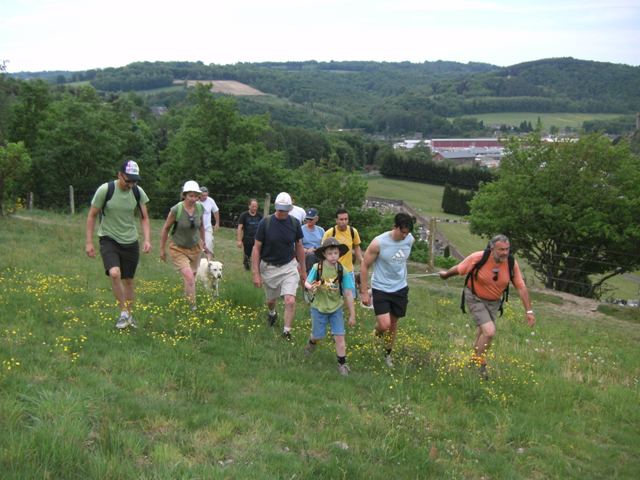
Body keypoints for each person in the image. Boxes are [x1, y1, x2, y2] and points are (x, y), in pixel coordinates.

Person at [438, 234, 535, 380]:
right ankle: (480, 364)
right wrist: (446, 275)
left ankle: (473, 361)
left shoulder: (510, 262)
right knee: (489, 332)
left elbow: (521, 287)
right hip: (475, 297)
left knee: (482, 333)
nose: (505, 252)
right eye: (501, 249)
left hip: (494, 301)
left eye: (507, 249)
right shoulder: (478, 257)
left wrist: (529, 311)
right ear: (492, 248)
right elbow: (459, 268)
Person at [85, 160, 152, 329]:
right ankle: (122, 313)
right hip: (109, 238)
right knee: (115, 273)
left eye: (134, 181)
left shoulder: (137, 192)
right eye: (128, 180)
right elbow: (92, 215)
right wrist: (89, 242)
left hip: (130, 240)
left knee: (128, 280)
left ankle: (129, 316)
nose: (131, 184)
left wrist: (147, 239)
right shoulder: (105, 190)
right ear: (119, 175)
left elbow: (144, 217)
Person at [359, 213, 415, 368]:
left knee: (393, 324)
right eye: (402, 231)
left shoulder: (410, 240)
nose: (405, 235)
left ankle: (387, 354)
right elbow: (364, 265)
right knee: (384, 325)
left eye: (407, 232)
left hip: (400, 288)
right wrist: (364, 291)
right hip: (381, 288)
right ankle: (376, 333)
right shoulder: (379, 243)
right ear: (395, 227)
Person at [252, 192, 307, 340]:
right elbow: (256, 248)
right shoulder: (266, 223)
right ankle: (272, 313)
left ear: (290, 208)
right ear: (276, 207)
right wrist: (256, 273)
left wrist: (302, 270)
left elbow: (299, 246)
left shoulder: (295, 223)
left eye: (285, 209)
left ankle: (286, 332)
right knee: (271, 300)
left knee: (290, 299)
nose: (281, 212)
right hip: (269, 266)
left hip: (289, 266)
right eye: (279, 209)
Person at [304, 238, 356, 376]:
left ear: (339, 254)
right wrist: (313, 287)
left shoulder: (342, 270)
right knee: (317, 335)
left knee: (340, 336)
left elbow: (348, 293)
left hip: (336, 309)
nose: (333, 256)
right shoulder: (317, 268)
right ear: (324, 255)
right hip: (319, 308)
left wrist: (352, 314)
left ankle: (342, 363)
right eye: (330, 253)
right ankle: (311, 343)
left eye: (336, 253)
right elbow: (307, 283)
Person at [159, 181, 207, 311]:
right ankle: (193, 308)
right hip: (178, 247)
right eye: (190, 196)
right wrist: (162, 249)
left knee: (192, 275)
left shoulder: (200, 208)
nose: (193, 199)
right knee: (189, 276)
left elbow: (201, 226)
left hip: (195, 246)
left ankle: (187, 299)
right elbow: (166, 228)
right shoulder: (177, 210)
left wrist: (204, 241)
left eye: (196, 196)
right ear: (184, 195)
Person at [322, 208, 364, 299]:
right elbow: (323, 251)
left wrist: (361, 261)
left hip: (348, 270)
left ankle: (349, 313)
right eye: (341, 219)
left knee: (350, 296)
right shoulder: (330, 233)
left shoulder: (353, 232)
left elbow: (357, 247)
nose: (344, 221)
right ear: (336, 220)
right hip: (332, 270)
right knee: (333, 297)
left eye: (346, 219)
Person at [236, 198, 263, 271]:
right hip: (247, 239)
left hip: (257, 239)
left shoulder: (260, 216)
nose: (254, 208)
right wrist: (239, 240)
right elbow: (239, 228)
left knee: (259, 255)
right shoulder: (244, 215)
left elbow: (263, 228)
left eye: (256, 206)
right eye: (253, 206)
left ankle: (258, 268)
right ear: (249, 206)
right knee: (247, 255)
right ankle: (247, 268)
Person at [198, 186, 220, 261]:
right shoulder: (195, 201)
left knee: (209, 242)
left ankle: (209, 261)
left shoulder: (210, 200)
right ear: (199, 194)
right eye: (203, 195)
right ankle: (198, 261)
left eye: (206, 195)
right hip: (196, 228)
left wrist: (217, 223)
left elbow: (216, 211)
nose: (205, 197)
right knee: (198, 245)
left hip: (207, 227)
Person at [301, 207, 325, 273]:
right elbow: (298, 246)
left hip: (318, 252)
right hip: (306, 254)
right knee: (311, 256)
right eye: (307, 219)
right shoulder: (301, 229)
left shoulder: (321, 230)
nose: (309, 221)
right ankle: (310, 277)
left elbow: (324, 244)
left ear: (316, 219)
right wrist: (307, 250)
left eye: (311, 219)